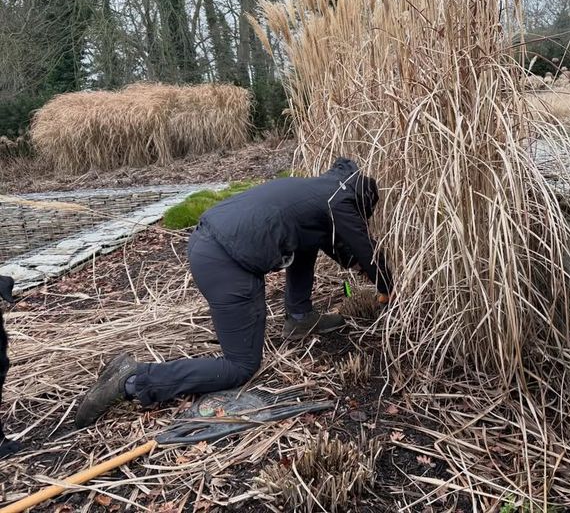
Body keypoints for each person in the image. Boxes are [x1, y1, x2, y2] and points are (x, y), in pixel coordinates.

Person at [75, 157, 393, 428]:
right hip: (228, 266)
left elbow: (326, 241)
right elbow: (364, 248)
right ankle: (134, 381)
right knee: (239, 366)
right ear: (362, 201)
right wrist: (388, 288)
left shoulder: (314, 190)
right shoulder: (342, 197)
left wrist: (352, 263)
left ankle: (300, 317)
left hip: (207, 244)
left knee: (304, 244)